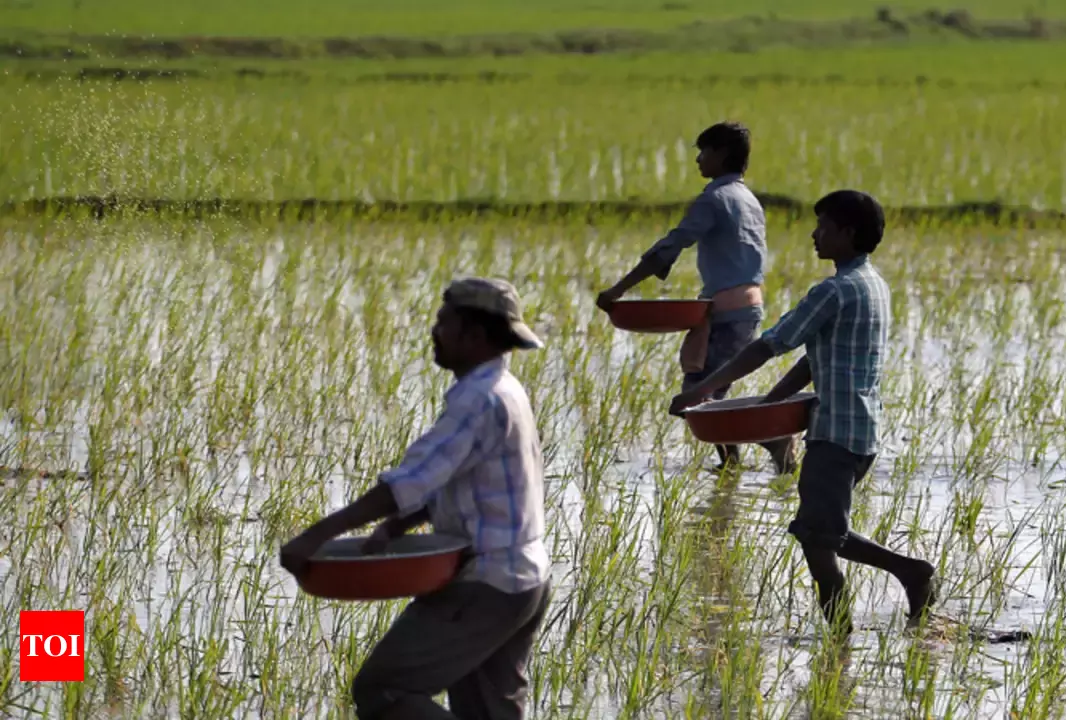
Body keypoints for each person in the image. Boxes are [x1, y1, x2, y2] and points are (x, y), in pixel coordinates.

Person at [279, 277, 552, 720]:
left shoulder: (479, 399)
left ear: (475, 334)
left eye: (444, 323)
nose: (434, 331)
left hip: (487, 582)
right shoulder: (506, 389)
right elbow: (469, 479)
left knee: (385, 689)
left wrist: (315, 536)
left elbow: (408, 483)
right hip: (525, 580)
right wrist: (403, 523)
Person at [669, 190, 937, 637]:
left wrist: (702, 387)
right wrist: (769, 402)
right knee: (819, 534)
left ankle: (900, 582)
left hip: (834, 434)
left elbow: (768, 344)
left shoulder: (833, 291)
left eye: (824, 228)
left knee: (819, 535)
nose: (815, 235)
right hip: (860, 430)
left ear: (848, 234)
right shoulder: (873, 284)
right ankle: (841, 632)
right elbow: (817, 358)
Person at [596, 121, 798, 475]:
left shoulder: (714, 198)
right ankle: (732, 464)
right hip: (744, 306)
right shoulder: (748, 199)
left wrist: (619, 289)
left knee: (700, 394)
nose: (698, 160)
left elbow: (672, 244)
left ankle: (771, 440)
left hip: (730, 309)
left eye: (703, 152)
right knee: (709, 391)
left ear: (721, 155)